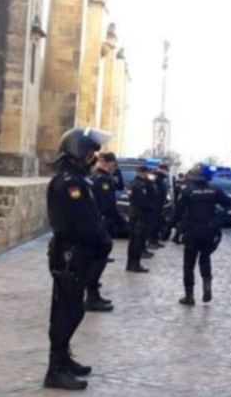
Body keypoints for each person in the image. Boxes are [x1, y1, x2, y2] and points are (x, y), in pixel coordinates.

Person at [43, 126, 112, 390]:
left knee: (73, 310)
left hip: (78, 254)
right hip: (70, 255)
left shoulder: (78, 180)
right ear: (78, 153)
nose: (93, 158)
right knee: (66, 312)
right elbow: (80, 223)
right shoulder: (70, 183)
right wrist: (101, 241)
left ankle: (63, 359)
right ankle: (56, 370)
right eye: (90, 153)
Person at [174, 164, 231, 305]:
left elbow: (177, 212)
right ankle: (207, 285)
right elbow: (228, 203)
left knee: (189, 263)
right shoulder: (214, 189)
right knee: (205, 258)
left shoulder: (188, 190)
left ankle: (189, 296)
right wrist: (217, 221)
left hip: (192, 230)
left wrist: (169, 230)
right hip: (209, 230)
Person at [86, 153, 122, 312]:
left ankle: (93, 295)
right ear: (109, 163)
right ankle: (91, 298)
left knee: (93, 261)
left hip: (91, 224)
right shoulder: (104, 180)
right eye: (114, 166)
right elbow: (109, 207)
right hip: (99, 225)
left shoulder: (93, 177)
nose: (114, 169)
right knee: (98, 261)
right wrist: (122, 223)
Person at [124, 166, 155, 273]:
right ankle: (134, 264)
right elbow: (144, 202)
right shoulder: (140, 185)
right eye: (146, 173)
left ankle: (131, 264)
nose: (147, 175)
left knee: (134, 241)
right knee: (137, 241)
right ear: (142, 173)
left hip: (135, 214)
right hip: (140, 215)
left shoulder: (134, 183)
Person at [149, 165, 171, 247]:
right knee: (153, 224)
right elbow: (154, 191)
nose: (167, 172)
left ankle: (155, 241)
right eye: (166, 170)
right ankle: (151, 241)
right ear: (162, 169)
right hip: (155, 204)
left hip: (159, 204)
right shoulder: (156, 178)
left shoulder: (161, 178)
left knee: (157, 223)